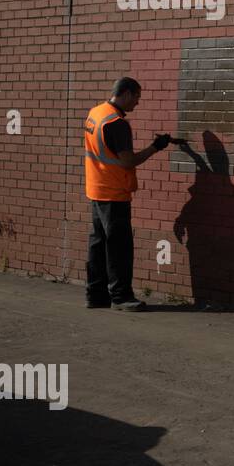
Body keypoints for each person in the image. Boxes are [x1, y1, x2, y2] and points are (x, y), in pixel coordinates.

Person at [84, 77, 172, 311]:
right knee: (119, 248)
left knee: (98, 244)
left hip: (96, 189)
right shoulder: (117, 123)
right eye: (137, 97)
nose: (138, 103)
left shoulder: (96, 113)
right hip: (114, 194)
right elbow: (128, 161)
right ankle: (122, 297)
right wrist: (156, 147)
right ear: (125, 93)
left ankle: (96, 295)